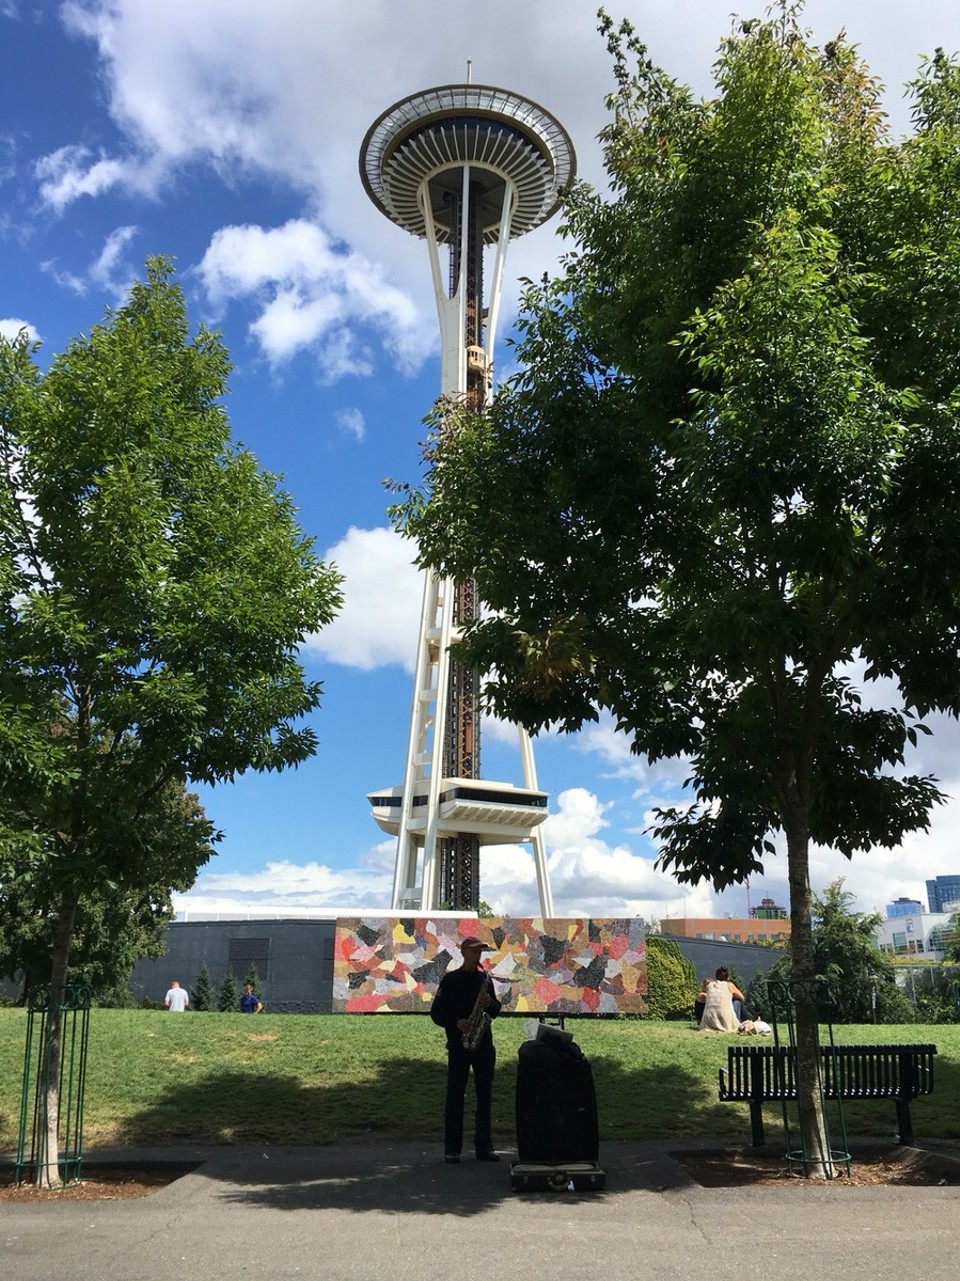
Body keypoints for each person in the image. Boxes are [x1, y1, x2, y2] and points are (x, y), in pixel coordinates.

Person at [429, 935, 502, 1164]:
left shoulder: (484, 979)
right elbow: (436, 1013)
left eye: (480, 951)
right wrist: (457, 1022)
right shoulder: (451, 980)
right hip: (459, 1045)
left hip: (483, 1045)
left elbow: (496, 1010)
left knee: (485, 1097)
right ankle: (452, 1149)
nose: (477, 955)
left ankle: (484, 1147)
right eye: (473, 951)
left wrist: (491, 1004)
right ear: (463, 953)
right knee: (455, 1097)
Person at [697, 967, 742, 1033]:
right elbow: (742, 997)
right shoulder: (729, 985)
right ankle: (750, 1020)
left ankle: (751, 1021)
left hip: (708, 1022)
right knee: (738, 1001)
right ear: (727, 978)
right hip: (726, 1022)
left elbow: (703, 992)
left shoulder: (709, 985)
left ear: (716, 976)